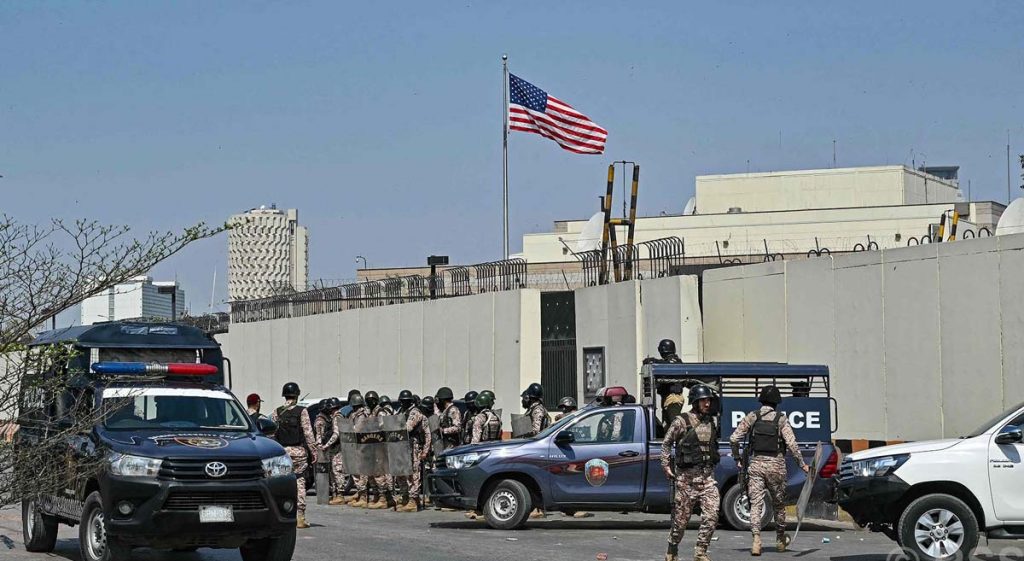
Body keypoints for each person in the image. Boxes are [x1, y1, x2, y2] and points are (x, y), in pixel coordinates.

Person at [729, 385, 810, 555]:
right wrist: (802, 464)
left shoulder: (752, 416)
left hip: (756, 465)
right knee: (778, 505)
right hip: (776, 466)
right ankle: (780, 539)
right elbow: (792, 445)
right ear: (776, 402)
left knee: (756, 504)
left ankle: (756, 541)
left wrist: (737, 459)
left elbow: (734, 438)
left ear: (762, 400)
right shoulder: (781, 419)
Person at [661, 384, 720, 561]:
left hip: (707, 479)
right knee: (681, 521)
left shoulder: (711, 422)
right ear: (694, 402)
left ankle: (701, 551)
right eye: (703, 400)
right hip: (686, 480)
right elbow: (666, 443)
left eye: (708, 400)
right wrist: (666, 465)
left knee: (712, 515)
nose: (707, 404)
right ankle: (672, 548)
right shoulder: (681, 421)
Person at [271, 382, 318, 529]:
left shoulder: (277, 412)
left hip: (282, 453)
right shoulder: (302, 411)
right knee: (300, 481)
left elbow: (271, 433)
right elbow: (308, 433)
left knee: (281, 483)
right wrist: (314, 452)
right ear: (297, 395)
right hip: (299, 453)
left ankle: (281, 514)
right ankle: (300, 517)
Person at [397, 395, 433, 512]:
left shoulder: (415, 413)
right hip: (403, 447)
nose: (402, 403)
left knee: (413, 474)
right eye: (401, 401)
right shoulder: (402, 412)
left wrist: (425, 451)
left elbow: (408, 428)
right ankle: (406, 497)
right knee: (402, 473)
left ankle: (413, 500)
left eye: (404, 401)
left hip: (414, 447)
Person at [520, 383, 549, 519]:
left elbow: (536, 431)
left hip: (537, 448)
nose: (523, 400)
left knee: (536, 477)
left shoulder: (537, 410)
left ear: (530, 397)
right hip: (536, 446)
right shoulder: (534, 409)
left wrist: (523, 434)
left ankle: (539, 507)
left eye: (525, 397)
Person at [364, 391, 394, 509]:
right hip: (371, 445)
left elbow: (382, 428)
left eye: (370, 401)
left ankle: (383, 497)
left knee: (379, 472)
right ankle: (378, 495)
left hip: (380, 446)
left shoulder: (380, 412)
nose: (368, 403)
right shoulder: (370, 413)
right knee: (372, 472)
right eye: (367, 401)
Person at [315, 398, 345, 505]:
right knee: (333, 470)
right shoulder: (335, 417)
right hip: (334, 449)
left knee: (337, 470)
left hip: (337, 449)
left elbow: (336, 434)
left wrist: (326, 445)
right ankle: (336, 494)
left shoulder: (337, 417)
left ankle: (340, 495)